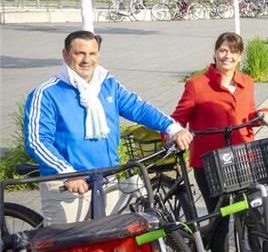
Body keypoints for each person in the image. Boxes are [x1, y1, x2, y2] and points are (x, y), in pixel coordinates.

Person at [25, 30, 193, 224]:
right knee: (67, 243)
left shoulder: (108, 85)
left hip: (108, 180)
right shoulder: (47, 93)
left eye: (92, 54)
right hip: (68, 185)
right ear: (65, 54)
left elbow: (138, 108)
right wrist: (67, 173)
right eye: (79, 53)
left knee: (116, 241)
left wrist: (173, 128)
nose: (87, 60)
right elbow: (37, 141)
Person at [172, 32, 268, 252]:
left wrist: (262, 114)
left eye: (233, 51)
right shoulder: (197, 85)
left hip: (242, 159)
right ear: (215, 53)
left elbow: (248, 114)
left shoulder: (246, 82)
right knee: (220, 218)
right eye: (223, 50)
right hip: (209, 163)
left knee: (254, 211)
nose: (227, 56)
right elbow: (177, 119)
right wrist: (177, 133)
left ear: (240, 56)